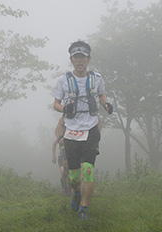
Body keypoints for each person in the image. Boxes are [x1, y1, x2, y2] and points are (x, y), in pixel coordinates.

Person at [52, 40, 113, 220]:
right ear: (71, 59)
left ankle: (84, 209)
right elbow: (55, 103)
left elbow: (102, 95)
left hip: (91, 128)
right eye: (76, 57)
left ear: (88, 59)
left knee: (88, 169)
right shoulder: (63, 81)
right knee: (73, 176)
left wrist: (106, 104)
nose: (80, 61)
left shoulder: (97, 78)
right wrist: (64, 109)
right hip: (71, 130)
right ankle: (76, 192)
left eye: (83, 57)